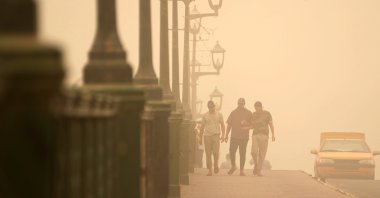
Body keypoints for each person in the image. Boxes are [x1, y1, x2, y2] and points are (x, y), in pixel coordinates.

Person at [224, 98, 253, 176]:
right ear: (237, 104)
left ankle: (241, 170)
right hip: (234, 136)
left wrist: (246, 125)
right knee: (232, 152)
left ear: (244, 104)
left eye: (242, 103)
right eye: (239, 103)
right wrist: (226, 135)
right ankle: (233, 166)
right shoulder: (233, 113)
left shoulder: (249, 113)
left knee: (242, 153)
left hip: (244, 137)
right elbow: (229, 125)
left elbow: (253, 125)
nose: (240, 105)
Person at [199, 100, 225, 176]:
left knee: (216, 152)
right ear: (208, 107)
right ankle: (210, 170)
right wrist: (200, 138)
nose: (211, 108)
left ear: (214, 106)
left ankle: (216, 164)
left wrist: (223, 135)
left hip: (216, 135)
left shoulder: (219, 114)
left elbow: (223, 125)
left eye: (212, 106)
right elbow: (202, 127)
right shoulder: (205, 115)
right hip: (207, 136)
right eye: (209, 107)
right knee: (208, 154)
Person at [250, 101, 275, 176]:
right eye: (255, 108)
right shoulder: (253, 114)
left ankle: (259, 170)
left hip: (264, 135)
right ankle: (256, 164)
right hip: (255, 135)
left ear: (261, 107)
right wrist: (245, 125)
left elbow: (271, 124)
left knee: (262, 154)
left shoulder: (267, 114)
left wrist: (273, 134)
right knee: (253, 152)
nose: (256, 110)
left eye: (257, 108)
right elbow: (251, 124)